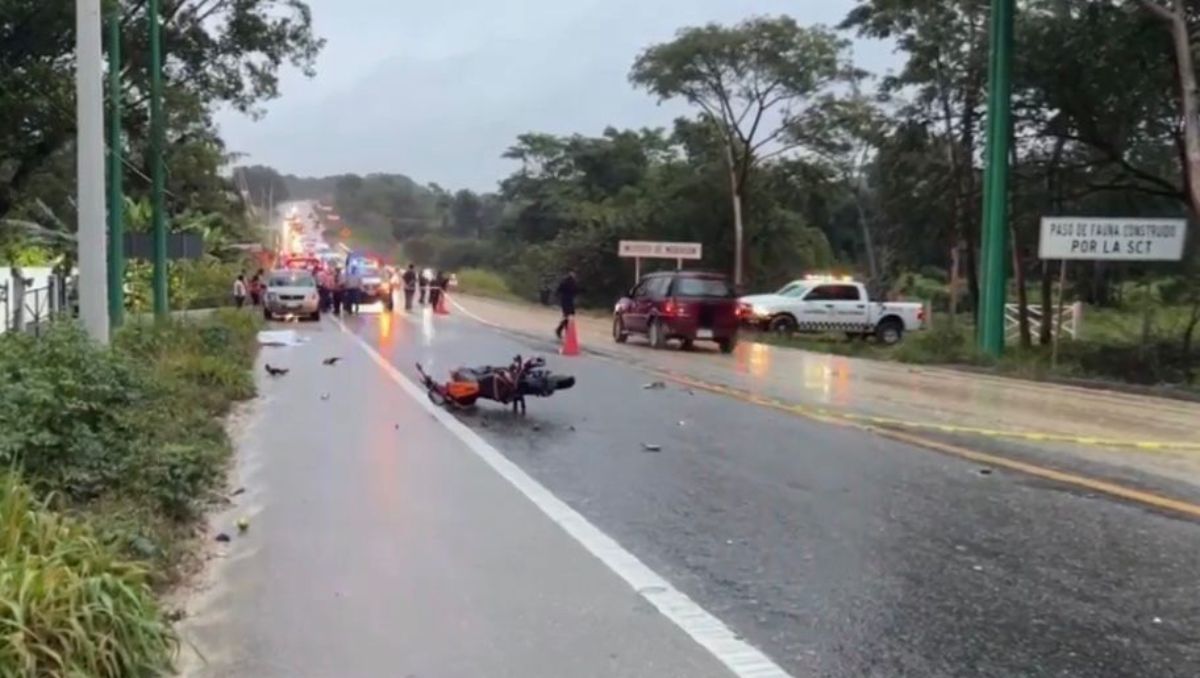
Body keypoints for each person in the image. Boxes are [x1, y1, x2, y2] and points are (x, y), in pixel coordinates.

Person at [554, 269, 577, 340]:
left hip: (568, 301)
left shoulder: (570, 282)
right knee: (568, 316)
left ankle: (561, 330)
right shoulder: (567, 282)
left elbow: (575, 291)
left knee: (568, 316)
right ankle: (562, 330)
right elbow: (560, 290)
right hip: (566, 301)